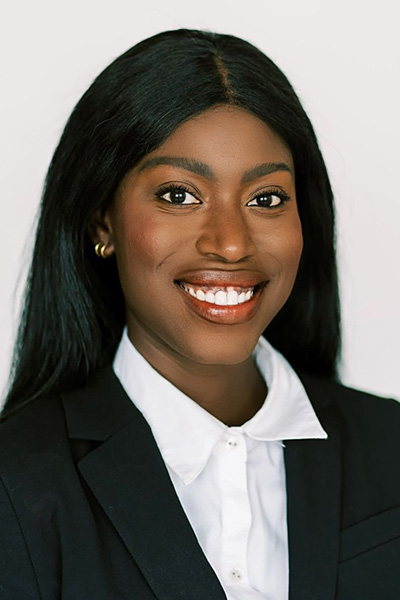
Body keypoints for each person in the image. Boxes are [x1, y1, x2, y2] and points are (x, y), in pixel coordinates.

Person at [0, 28, 399, 600]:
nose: (232, 244)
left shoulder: (391, 446)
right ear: (101, 222)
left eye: (266, 199)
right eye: (179, 195)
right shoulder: (17, 487)